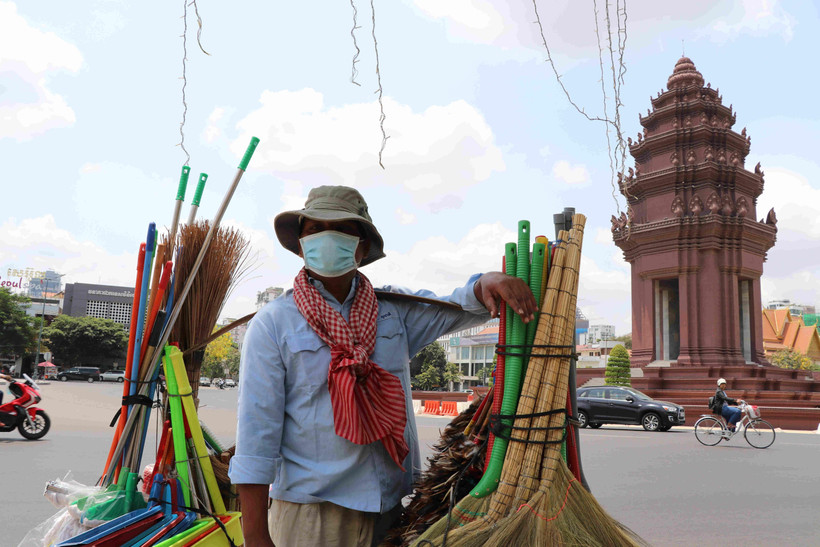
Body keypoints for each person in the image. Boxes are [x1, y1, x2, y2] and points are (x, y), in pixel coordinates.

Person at [228, 185, 537, 547]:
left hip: (389, 510)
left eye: (343, 229)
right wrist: (255, 537)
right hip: (310, 517)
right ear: (300, 244)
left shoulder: (392, 311)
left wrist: (487, 281)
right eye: (315, 230)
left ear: (360, 246)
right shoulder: (274, 323)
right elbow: (256, 438)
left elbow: (456, 306)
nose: (327, 238)